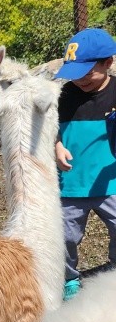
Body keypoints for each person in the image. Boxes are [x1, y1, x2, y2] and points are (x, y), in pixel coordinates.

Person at [53, 25, 116, 298]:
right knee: (65, 237)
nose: (80, 80)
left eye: (87, 72)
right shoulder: (63, 96)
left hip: (111, 184)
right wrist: (56, 146)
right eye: (74, 73)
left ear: (109, 62)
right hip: (71, 185)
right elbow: (50, 129)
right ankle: (69, 278)